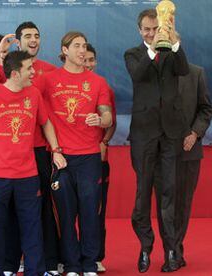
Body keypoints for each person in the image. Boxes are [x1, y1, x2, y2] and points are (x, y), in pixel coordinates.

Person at [0, 50, 67, 275]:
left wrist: (56, 150)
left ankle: (35, 270)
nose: (34, 72)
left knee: (32, 228)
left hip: (28, 175)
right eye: (29, 68)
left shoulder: (34, 94)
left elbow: (46, 123)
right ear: (15, 74)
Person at [34, 31, 112, 276]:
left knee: (90, 212)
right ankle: (70, 265)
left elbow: (108, 115)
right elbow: (22, 92)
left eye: (84, 46)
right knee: (65, 216)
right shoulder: (48, 80)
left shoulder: (98, 82)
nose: (81, 50)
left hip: (89, 157)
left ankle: (89, 264)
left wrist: (100, 119)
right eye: (76, 46)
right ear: (64, 50)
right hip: (60, 157)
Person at [124, 9, 189, 273]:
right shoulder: (133, 54)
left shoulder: (172, 52)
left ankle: (172, 250)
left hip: (171, 135)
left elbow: (183, 69)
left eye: (156, 28)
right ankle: (145, 247)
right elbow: (138, 75)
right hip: (143, 135)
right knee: (142, 197)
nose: (152, 33)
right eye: (147, 30)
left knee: (169, 195)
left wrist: (173, 42)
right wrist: (153, 48)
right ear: (140, 31)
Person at [155, 63, 212, 268]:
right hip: (160, 152)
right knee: (165, 204)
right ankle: (171, 251)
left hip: (189, 151)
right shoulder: (150, 74)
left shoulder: (196, 73)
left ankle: (176, 248)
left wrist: (195, 133)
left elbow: (206, 109)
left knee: (181, 204)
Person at [83, 43, 117, 273]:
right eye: (84, 59)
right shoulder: (60, 84)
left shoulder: (103, 86)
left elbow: (110, 121)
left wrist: (103, 142)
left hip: (98, 158)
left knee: (96, 210)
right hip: (71, 157)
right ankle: (69, 255)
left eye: (91, 59)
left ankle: (95, 256)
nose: (88, 64)